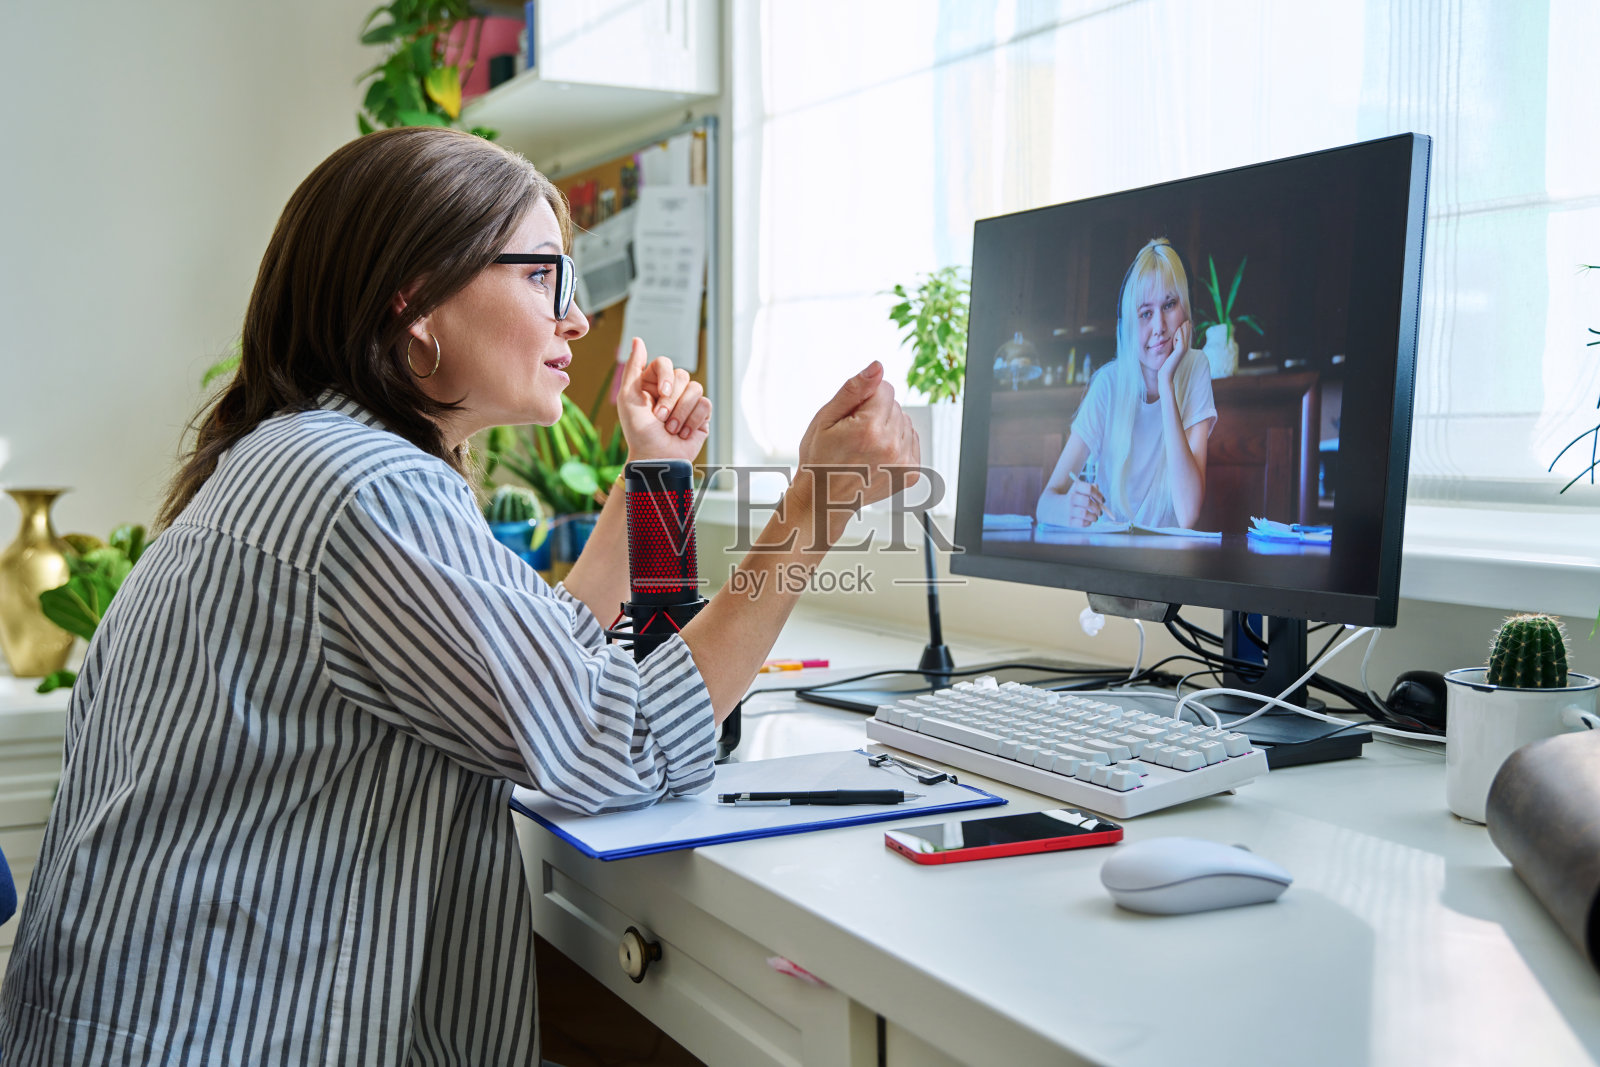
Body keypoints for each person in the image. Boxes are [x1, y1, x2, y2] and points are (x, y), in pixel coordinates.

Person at [0, 127, 919, 1065]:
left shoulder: (306, 454)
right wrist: (816, 505)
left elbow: (538, 659)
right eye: (542, 277)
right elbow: (623, 737)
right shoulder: (365, 486)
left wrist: (654, 481)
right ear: (416, 298)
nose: (577, 321)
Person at [1035, 237, 1216, 530]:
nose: (1159, 327)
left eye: (1169, 305)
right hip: (1111, 556)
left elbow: (1188, 513)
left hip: (1168, 564)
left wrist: (1166, 383)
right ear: (1130, 324)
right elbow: (1044, 504)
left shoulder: (1196, 367)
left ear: (1185, 309)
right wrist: (1067, 509)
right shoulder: (1108, 384)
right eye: (1145, 313)